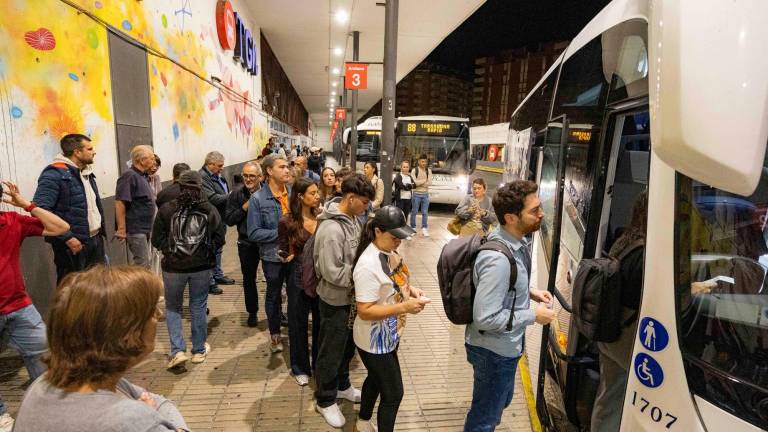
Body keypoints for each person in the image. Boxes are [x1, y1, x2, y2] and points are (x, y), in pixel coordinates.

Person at [13, 266, 189, 432]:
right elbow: (155, 406)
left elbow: (157, 400)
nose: (158, 317)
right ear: (128, 333)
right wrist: (159, 420)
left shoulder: (43, 385)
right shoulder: (129, 420)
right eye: (152, 311)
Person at [464, 180, 556, 432]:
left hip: (504, 348)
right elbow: (485, 317)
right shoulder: (498, 259)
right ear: (511, 217)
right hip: (493, 352)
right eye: (534, 210)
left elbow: (506, 285)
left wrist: (530, 293)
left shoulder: (514, 243)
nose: (541, 214)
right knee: (484, 419)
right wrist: (533, 315)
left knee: (497, 404)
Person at [0, 180, 69, 431]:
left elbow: (60, 227)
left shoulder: (11, 221)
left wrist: (28, 205)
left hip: (19, 306)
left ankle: (44, 407)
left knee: (42, 354)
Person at [352, 206, 426, 432]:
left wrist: (409, 289)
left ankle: (362, 422)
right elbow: (364, 310)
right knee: (394, 394)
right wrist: (404, 306)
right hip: (374, 342)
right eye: (395, 237)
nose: (398, 242)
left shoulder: (388, 253)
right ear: (377, 231)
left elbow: (392, 282)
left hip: (389, 334)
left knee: (375, 379)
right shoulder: (367, 266)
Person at [313, 173, 375, 428]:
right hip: (335, 300)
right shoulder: (331, 229)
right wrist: (362, 277)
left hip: (350, 300)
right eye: (363, 202)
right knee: (331, 349)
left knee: (346, 347)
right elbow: (332, 271)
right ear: (350, 198)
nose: (366, 207)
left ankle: (342, 386)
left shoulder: (352, 219)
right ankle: (325, 399)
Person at [152, 170, 224, 370]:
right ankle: (199, 350)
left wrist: (170, 250)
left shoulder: (167, 209)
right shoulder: (208, 209)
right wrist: (207, 252)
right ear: (200, 187)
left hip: (174, 268)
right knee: (198, 306)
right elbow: (220, 237)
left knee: (173, 307)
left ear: (180, 186)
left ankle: (177, 351)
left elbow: (156, 239)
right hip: (202, 267)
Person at [590, 193, 647, 432]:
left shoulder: (624, 240)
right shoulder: (646, 253)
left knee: (609, 397)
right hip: (627, 341)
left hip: (610, 333)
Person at [33, 133, 106, 282]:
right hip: (73, 245)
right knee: (72, 291)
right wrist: (67, 238)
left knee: (97, 288)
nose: (94, 152)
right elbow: (40, 210)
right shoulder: (54, 173)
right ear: (77, 152)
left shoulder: (86, 171)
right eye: (90, 148)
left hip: (94, 240)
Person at [278, 178, 321, 386]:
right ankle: (299, 367)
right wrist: (285, 255)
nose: (317, 196)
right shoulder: (287, 221)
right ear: (301, 196)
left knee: (321, 322)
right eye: (312, 193)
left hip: (321, 275)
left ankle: (318, 365)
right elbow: (281, 249)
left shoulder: (323, 218)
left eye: (317, 192)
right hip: (297, 275)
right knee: (297, 323)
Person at [247, 154, 293, 353]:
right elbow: (254, 232)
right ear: (269, 171)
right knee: (274, 295)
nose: (287, 170)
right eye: (281, 167)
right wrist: (282, 233)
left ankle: (294, 331)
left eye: (287, 166)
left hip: (295, 255)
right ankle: (275, 333)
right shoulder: (258, 199)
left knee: (296, 294)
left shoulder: (292, 193)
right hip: (272, 256)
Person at [225, 162, 263, 327]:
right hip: (247, 243)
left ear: (260, 177)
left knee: (275, 280)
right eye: (245, 176)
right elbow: (229, 219)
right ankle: (252, 311)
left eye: (252, 176)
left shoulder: (268, 192)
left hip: (267, 243)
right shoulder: (236, 194)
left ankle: (276, 313)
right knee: (249, 279)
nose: (248, 179)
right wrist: (245, 207)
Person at [115, 145, 157, 269]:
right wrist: (121, 229)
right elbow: (120, 202)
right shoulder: (129, 176)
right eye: (152, 158)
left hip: (144, 228)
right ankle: (138, 288)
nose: (154, 162)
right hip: (136, 229)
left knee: (145, 263)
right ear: (142, 161)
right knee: (142, 264)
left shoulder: (142, 176)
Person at [199, 151, 232, 294]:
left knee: (218, 248)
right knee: (211, 250)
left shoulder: (217, 175)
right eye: (219, 165)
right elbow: (212, 198)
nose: (221, 168)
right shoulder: (203, 177)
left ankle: (217, 275)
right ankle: (210, 281)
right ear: (210, 164)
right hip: (211, 219)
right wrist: (230, 197)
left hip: (220, 217)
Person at [410, 154, 432, 237]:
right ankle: (413, 227)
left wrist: (420, 182)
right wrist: (423, 181)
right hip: (416, 194)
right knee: (414, 212)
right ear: (418, 161)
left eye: (425, 162)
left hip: (425, 195)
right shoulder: (414, 170)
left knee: (425, 212)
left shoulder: (428, 170)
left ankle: (424, 228)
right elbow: (415, 183)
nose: (424, 163)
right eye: (422, 161)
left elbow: (429, 183)